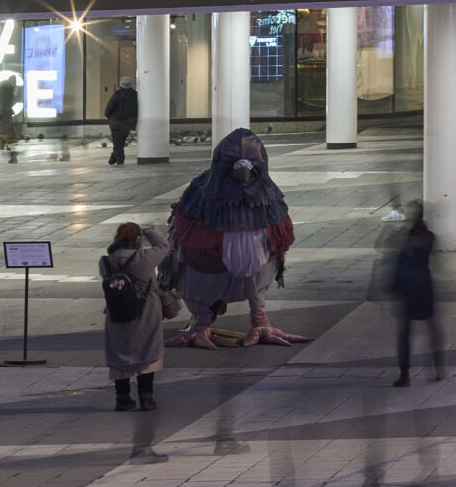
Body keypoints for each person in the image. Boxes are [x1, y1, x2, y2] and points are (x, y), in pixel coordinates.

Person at [165, 127, 304, 349]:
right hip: (206, 269)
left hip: (220, 265)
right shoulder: (198, 200)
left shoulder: (269, 201)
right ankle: (204, 322)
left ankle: (252, 319)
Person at [100, 220, 168, 412]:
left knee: (119, 355)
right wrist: (149, 232)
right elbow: (165, 245)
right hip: (145, 313)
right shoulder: (146, 258)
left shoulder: (106, 262)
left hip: (116, 313)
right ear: (138, 239)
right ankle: (146, 398)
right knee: (147, 355)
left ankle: (122, 399)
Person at [388, 202, 442, 387]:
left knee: (406, 332)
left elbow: (391, 253)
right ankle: (437, 369)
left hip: (409, 287)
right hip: (423, 286)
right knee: (431, 328)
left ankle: (405, 373)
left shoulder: (407, 238)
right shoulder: (429, 237)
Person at [105, 77, 138, 166]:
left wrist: (108, 116)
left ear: (121, 84)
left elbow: (108, 109)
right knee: (120, 141)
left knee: (117, 141)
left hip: (116, 122)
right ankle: (113, 158)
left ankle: (119, 160)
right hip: (128, 123)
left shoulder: (117, 95)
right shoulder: (135, 95)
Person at [0, 75, 20, 163]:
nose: (16, 83)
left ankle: (12, 156)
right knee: (8, 135)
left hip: (3, 112)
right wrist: (8, 109)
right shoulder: (8, 88)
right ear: (12, 80)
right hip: (5, 113)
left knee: (7, 134)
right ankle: (13, 156)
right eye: (15, 81)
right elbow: (8, 101)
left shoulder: (5, 86)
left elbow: (0, 100)